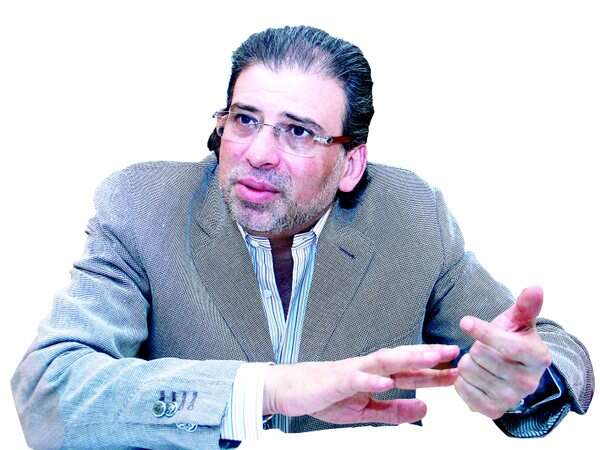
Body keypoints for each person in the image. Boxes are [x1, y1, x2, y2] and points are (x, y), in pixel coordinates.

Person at [11, 25, 593, 449]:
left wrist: (524, 380)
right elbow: (49, 391)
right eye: (244, 120)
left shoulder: (409, 215)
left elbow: (548, 347)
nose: (258, 153)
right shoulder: (145, 206)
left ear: (351, 164)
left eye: (298, 132)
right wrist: (266, 391)